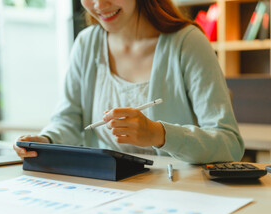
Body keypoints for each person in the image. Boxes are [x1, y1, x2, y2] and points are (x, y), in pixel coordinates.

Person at [13, 0, 244, 164]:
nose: (99, 4)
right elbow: (69, 121)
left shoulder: (187, 43)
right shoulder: (86, 44)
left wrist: (159, 134)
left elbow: (230, 144)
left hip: (176, 191)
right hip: (105, 189)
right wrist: (46, 140)